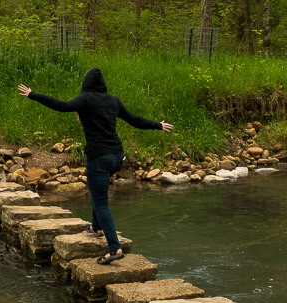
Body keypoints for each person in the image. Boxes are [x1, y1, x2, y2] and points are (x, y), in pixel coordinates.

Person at [18, 68, 173, 264]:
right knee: (96, 190)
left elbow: (61, 106)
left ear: (86, 84)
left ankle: (114, 248)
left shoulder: (85, 99)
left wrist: (33, 95)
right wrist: (158, 125)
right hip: (118, 158)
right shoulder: (113, 101)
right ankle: (96, 227)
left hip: (99, 158)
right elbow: (135, 120)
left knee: (101, 202)